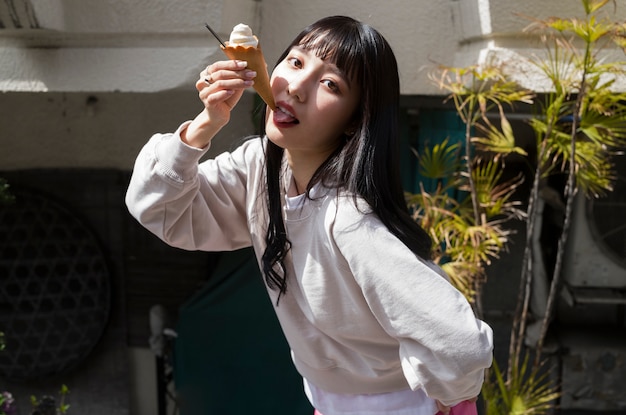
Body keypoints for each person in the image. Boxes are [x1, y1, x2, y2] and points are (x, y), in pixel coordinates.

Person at [126, 15, 493, 415]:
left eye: (330, 84)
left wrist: (446, 397)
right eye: (297, 62)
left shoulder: (350, 220)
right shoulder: (260, 168)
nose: (297, 87)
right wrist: (205, 124)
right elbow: (161, 208)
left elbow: (459, 344)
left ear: (355, 120)